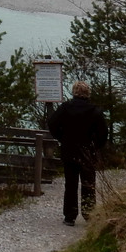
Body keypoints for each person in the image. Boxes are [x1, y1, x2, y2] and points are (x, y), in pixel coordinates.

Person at [47, 80, 107, 226]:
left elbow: (52, 123)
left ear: (74, 92)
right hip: (87, 151)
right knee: (88, 183)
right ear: (88, 93)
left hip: (69, 150)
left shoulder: (65, 108)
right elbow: (103, 133)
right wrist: (95, 146)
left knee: (71, 184)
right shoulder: (95, 111)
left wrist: (61, 137)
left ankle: (70, 216)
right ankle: (89, 214)